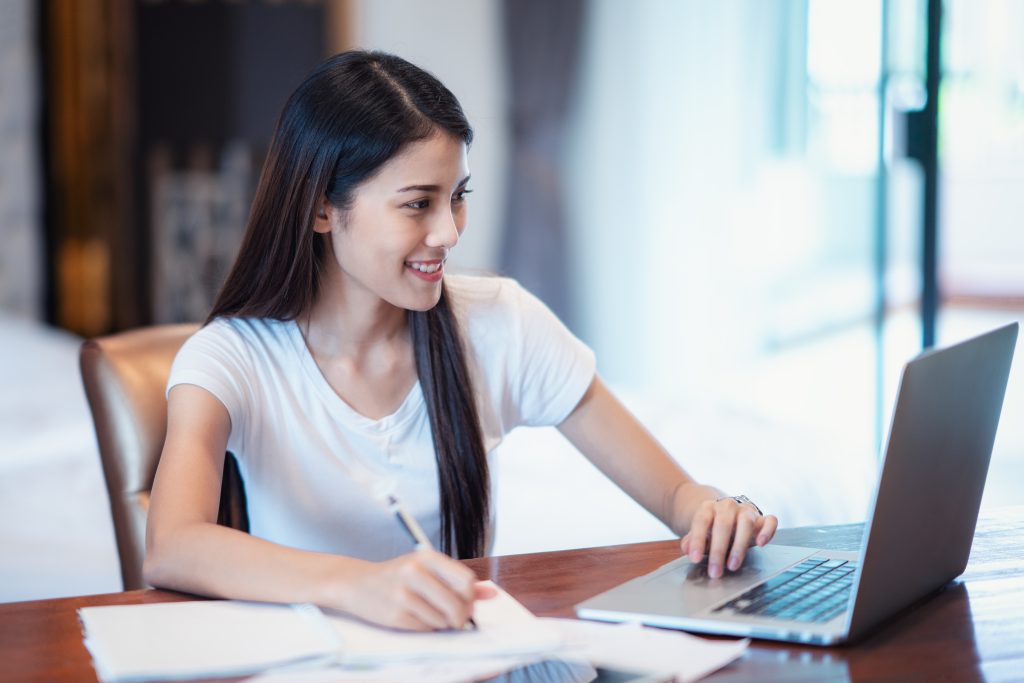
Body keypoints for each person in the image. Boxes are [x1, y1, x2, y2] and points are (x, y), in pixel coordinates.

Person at [145, 50, 778, 632]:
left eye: (458, 197)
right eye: (418, 203)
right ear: (319, 207)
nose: (449, 233)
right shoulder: (231, 358)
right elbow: (173, 543)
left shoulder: (501, 323)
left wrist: (709, 509)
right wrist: (360, 586)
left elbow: (673, 494)